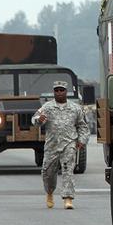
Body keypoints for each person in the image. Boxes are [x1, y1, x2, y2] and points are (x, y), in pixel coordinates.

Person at [32, 81, 90, 210]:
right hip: (52, 145)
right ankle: (50, 193)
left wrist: (82, 140)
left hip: (69, 143)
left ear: (66, 92)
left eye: (61, 90)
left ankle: (68, 198)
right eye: (56, 90)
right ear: (54, 92)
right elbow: (35, 120)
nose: (59, 93)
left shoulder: (75, 108)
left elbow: (83, 126)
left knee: (68, 170)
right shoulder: (47, 107)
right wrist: (38, 120)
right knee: (48, 172)